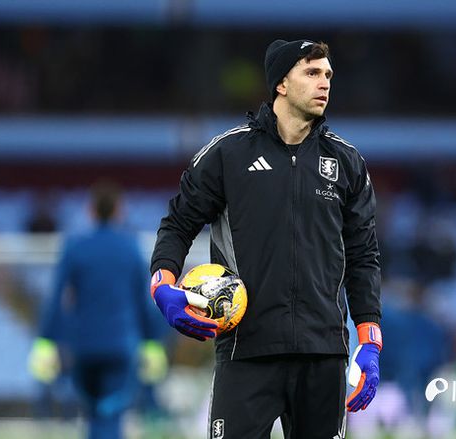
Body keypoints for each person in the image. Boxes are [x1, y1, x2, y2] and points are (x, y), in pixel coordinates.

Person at [150, 39, 382, 439]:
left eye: (328, 74)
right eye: (312, 72)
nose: (324, 83)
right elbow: (178, 224)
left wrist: (370, 340)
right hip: (246, 349)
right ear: (281, 84)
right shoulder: (228, 154)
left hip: (323, 353)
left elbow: (364, 256)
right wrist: (162, 285)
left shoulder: (346, 163)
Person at [28, 180, 168, 439]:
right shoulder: (129, 247)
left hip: (84, 346)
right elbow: (143, 299)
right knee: (111, 415)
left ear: (90, 210)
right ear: (119, 210)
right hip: (120, 345)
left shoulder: (75, 246)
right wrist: (152, 342)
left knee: (93, 415)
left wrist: (46, 341)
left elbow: (57, 297)